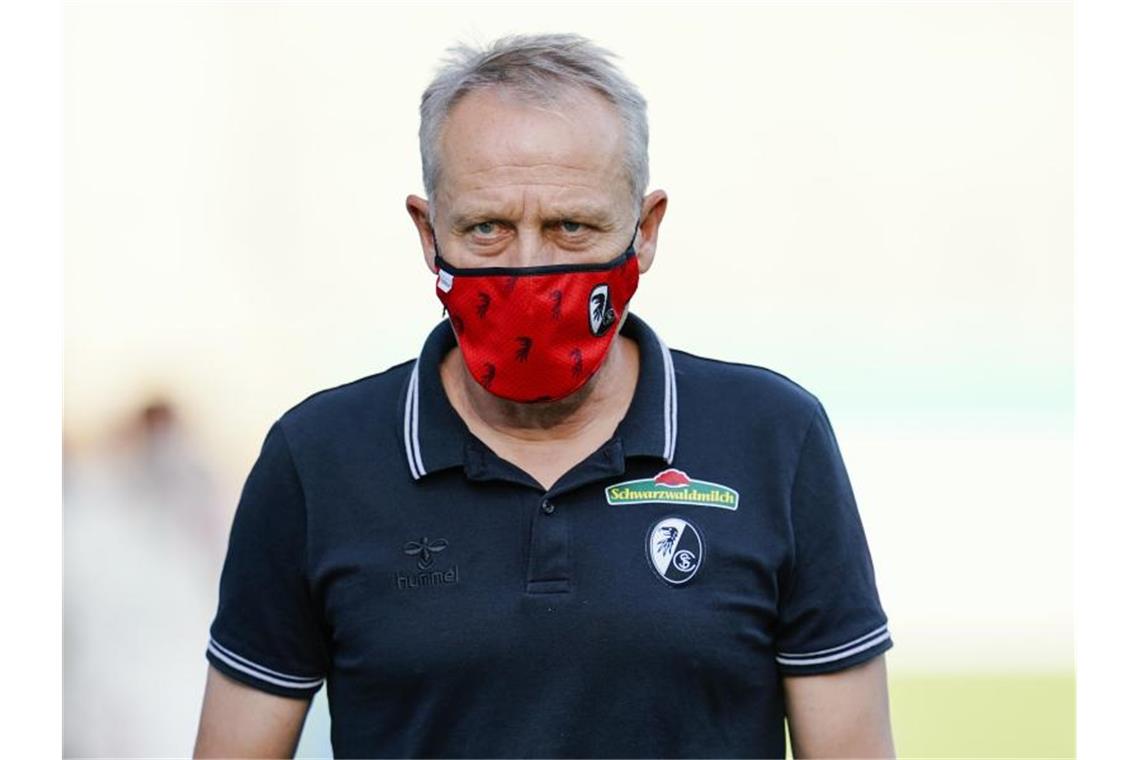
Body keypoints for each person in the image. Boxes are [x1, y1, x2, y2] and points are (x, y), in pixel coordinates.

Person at [193, 33, 895, 759]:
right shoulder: (318, 460)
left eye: (571, 226)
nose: (530, 267)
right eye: (488, 227)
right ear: (430, 235)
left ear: (644, 231)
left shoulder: (774, 439)